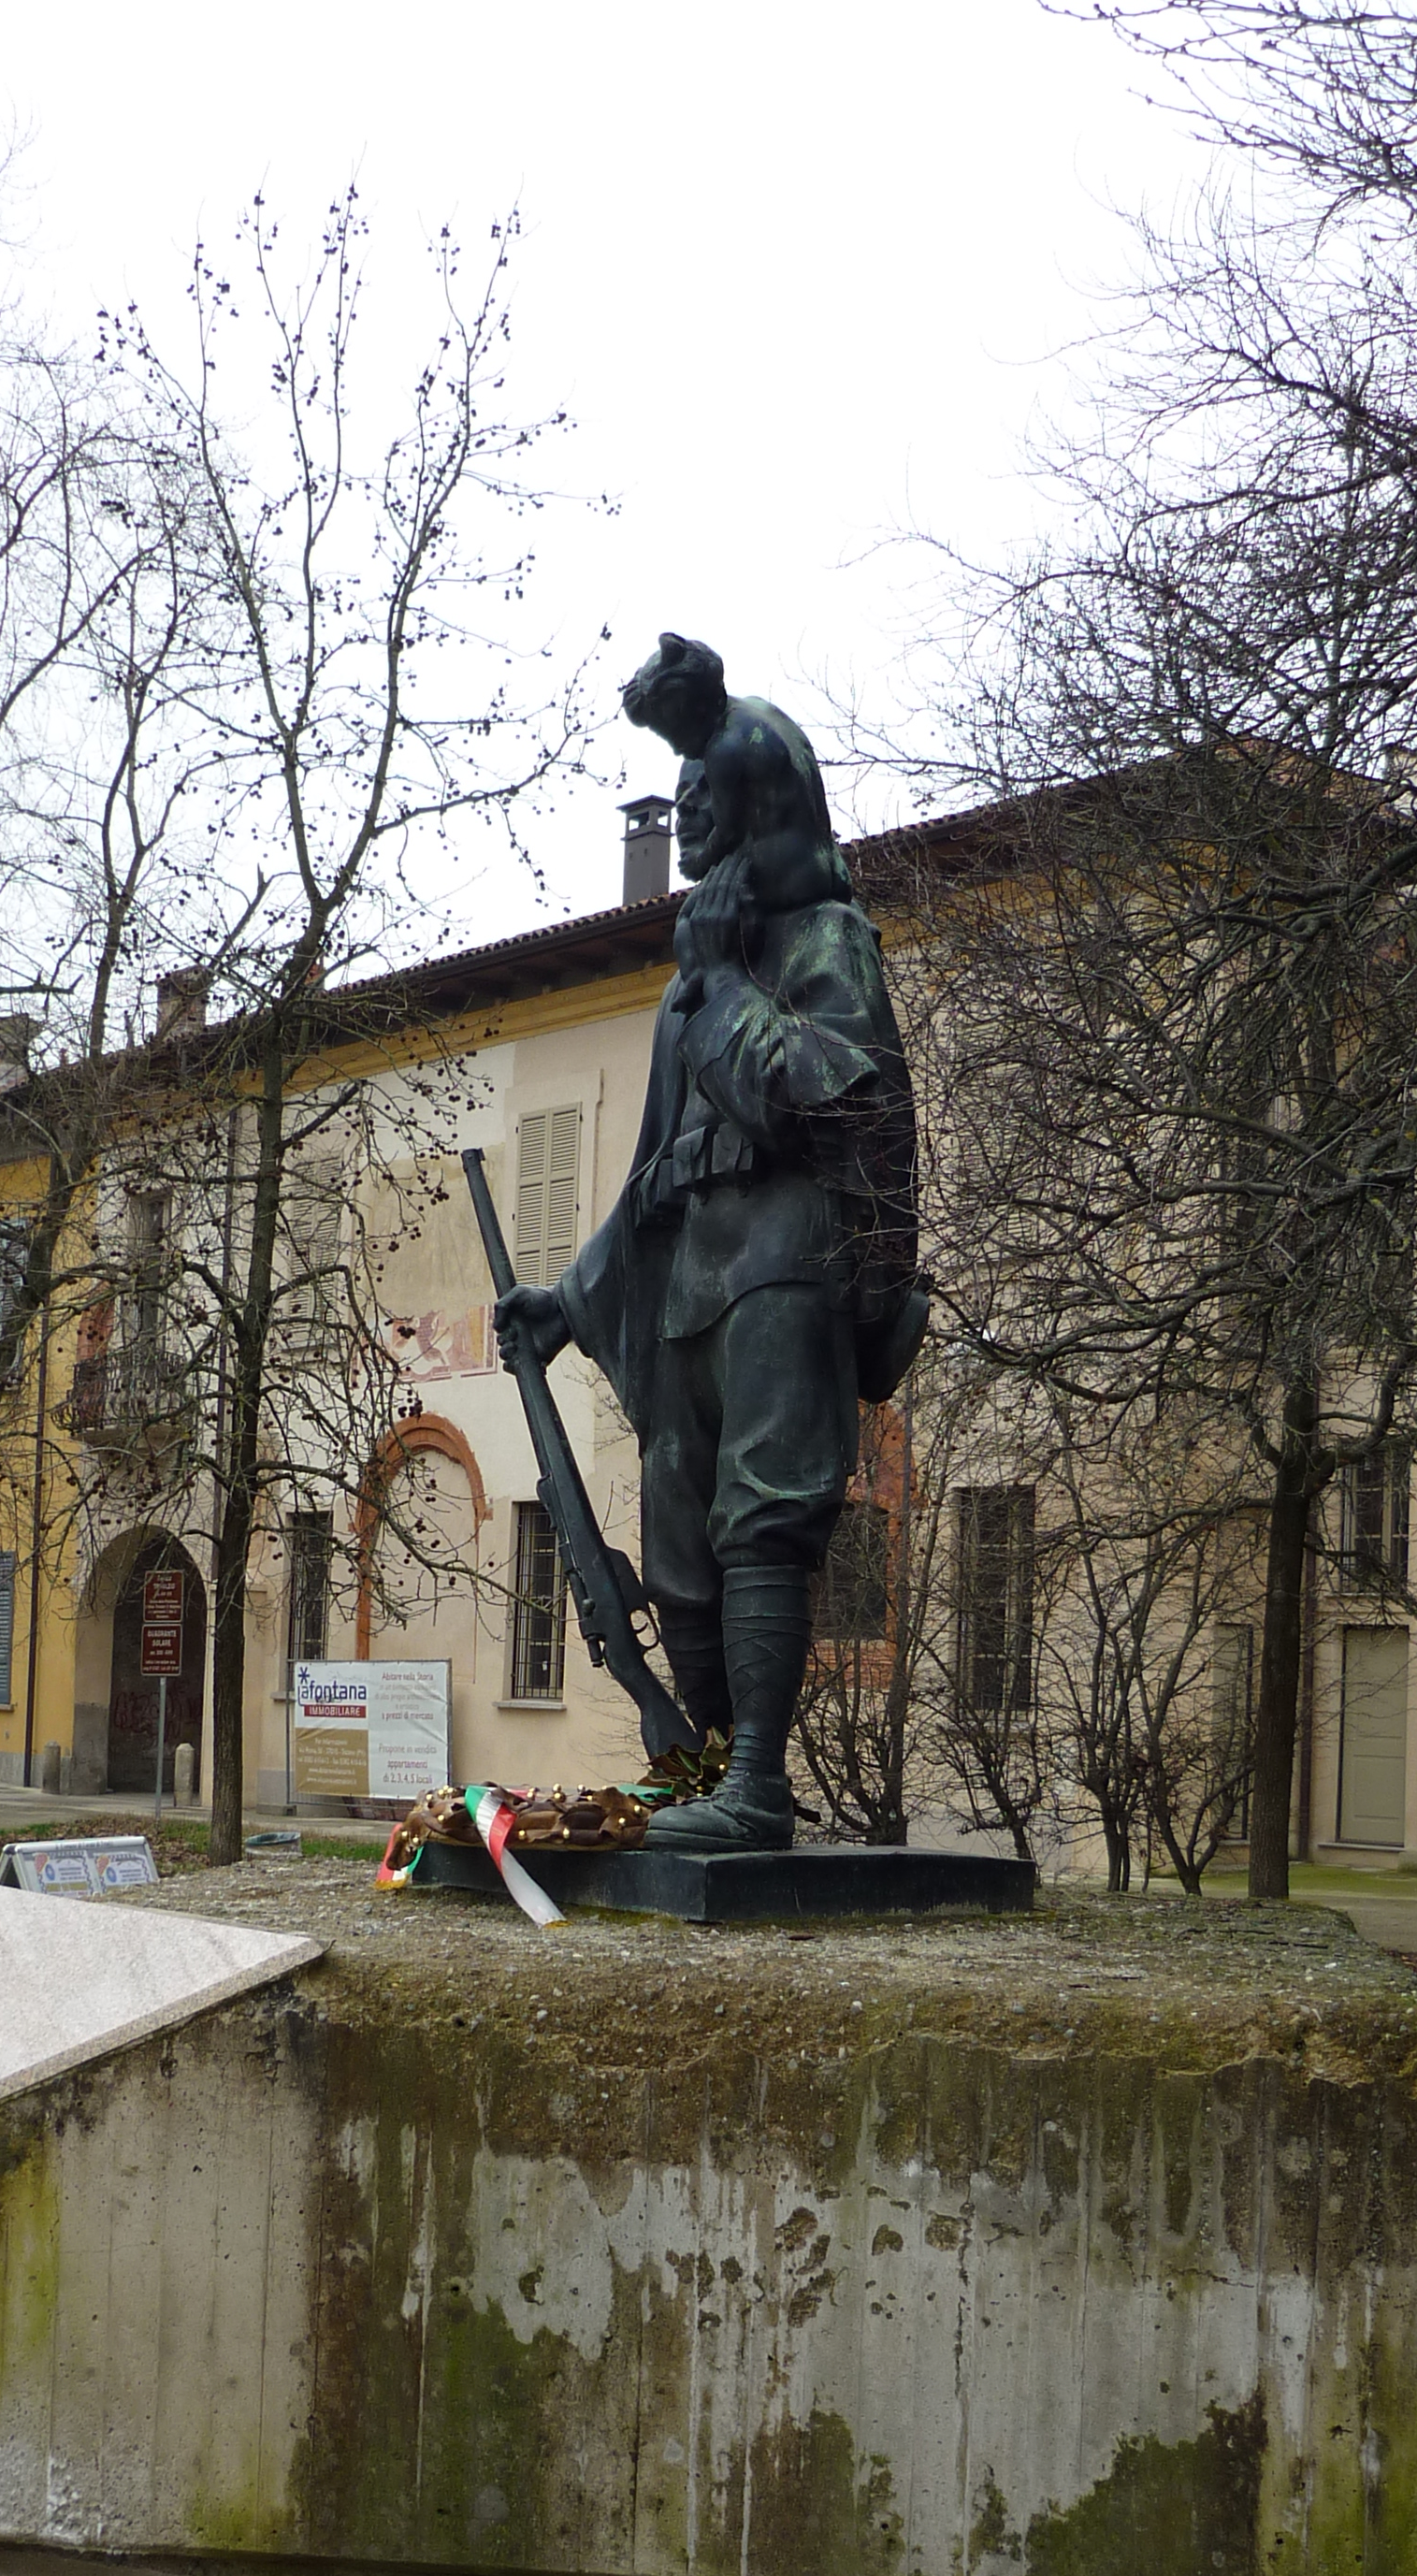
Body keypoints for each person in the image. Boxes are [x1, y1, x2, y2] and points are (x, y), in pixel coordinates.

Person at [493, 635, 926, 1853]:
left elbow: (823, 1092)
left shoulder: (821, 940)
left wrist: (727, 984)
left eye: (702, 794)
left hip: (785, 1258)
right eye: (673, 793)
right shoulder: (689, 988)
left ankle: (761, 1791)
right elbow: (643, 1178)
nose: (682, 808)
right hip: (689, 1279)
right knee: (678, 1554)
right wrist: (569, 1304)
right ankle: (707, 1774)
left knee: (763, 1523)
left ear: (752, 808)